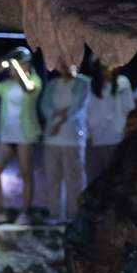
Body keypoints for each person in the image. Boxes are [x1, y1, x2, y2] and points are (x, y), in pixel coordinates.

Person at [0, 46, 42, 226]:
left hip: (25, 135)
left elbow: (28, 88)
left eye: (18, 65)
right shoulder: (7, 85)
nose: (12, 69)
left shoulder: (35, 80)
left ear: (26, 66)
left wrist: (16, 66)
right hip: (7, 136)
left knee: (26, 174)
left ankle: (24, 213)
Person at [39, 63, 91, 223]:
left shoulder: (83, 82)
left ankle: (74, 214)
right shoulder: (53, 84)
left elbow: (78, 107)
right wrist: (55, 118)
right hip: (52, 138)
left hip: (73, 138)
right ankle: (55, 214)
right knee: (53, 176)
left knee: (74, 178)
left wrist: (60, 119)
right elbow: (45, 106)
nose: (64, 66)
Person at [85, 62, 135, 183]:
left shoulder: (123, 82)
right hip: (94, 140)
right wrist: (87, 134)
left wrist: (126, 132)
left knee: (116, 178)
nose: (108, 68)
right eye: (103, 66)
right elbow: (85, 111)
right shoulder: (88, 83)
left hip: (117, 138)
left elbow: (128, 108)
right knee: (94, 178)